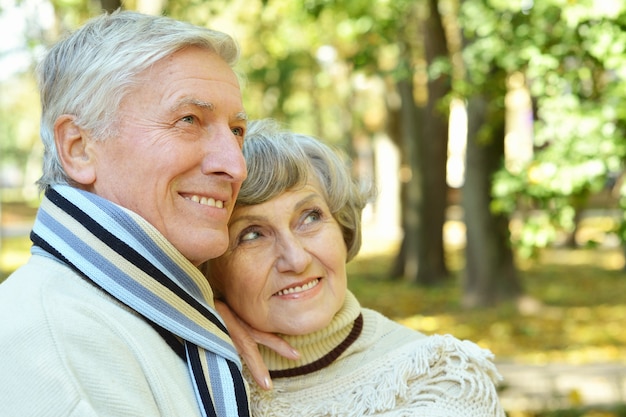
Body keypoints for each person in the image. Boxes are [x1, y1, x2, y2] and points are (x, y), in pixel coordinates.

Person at [0, 10, 257, 416]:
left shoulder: (170, 319)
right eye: (188, 120)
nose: (236, 165)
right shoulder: (51, 349)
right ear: (79, 148)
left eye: (237, 131)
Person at [206, 118, 506, 416]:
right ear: (210, 267)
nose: (296, 260)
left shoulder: (441, 378)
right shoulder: (189, 376)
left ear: (343, 227)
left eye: (310, 217)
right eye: (252, 235)